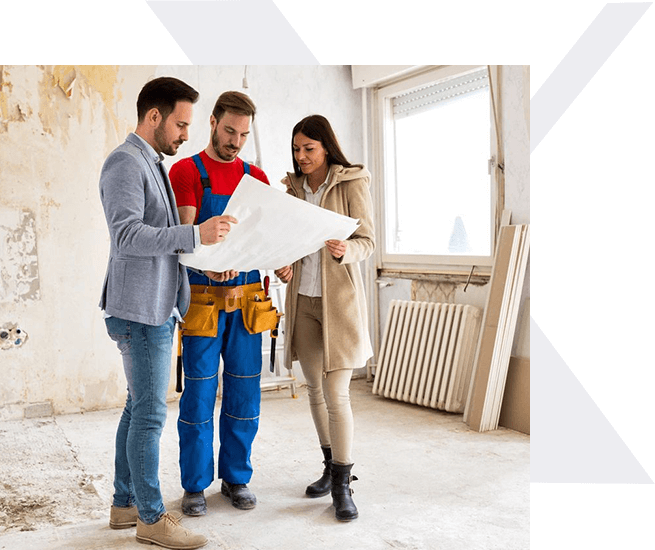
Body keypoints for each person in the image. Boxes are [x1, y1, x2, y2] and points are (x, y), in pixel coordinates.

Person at [99, 76, 236, 550]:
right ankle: (152, 518)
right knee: (151, 415)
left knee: (137, 408)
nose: (185, 134)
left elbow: (159, 236)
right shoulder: (124, 162)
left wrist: (202, 253)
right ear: (153, 117)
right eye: (180, 123)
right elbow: (128, 237)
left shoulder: (150, 161)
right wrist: (196, 233)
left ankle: (124, 504)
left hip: (151, 304)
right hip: (140, 310)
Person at [169, 91, 270, 516]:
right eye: (229, 130)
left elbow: (264, 237)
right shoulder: (185, 171)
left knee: (245, 394)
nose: (235, 141)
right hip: (203, 301)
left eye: (243, 134)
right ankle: (195, 485)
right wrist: (210, 269)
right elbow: (186, 238)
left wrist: (276, 263)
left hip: (247, 299)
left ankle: (236, 478)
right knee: (199, 393)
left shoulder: (257, 177)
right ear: (212, 122)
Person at [275, 115, 375, 521]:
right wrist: (284, 265)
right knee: (314, 391)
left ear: (326, 147)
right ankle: (328, 466)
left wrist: (344, 251)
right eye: (297, 149)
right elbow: (286, 242)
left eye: (309, 149)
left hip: (340, 306)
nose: (301, 157)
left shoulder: (351, 183)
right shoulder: (293, 188)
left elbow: (367, 241)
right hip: (303, 302)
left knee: (338, 395)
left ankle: (342, 485)